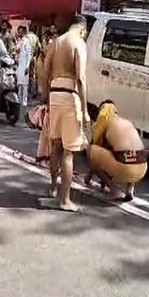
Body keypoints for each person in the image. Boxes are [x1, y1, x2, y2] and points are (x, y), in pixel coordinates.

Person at [43, 15, 89, 212]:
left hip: (55, 93)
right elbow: (80, 78)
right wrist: (85, 110)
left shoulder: (56, 42)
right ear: (82, 30)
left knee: (55, 145)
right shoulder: (78, 43)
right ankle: (65, 200)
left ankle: (53, 188)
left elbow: (45, 71)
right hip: (70, 94)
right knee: (68, 152)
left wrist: (46, 97)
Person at [85, 100, 147, 201]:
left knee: (90, 149)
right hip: (142, 167)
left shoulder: (103, 121)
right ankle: (130, 189)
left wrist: (89, 176)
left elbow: (95, 152)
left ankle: (114, 190)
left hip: (125, 168)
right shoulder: (126, 121)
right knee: (130, 151)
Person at [15, 25, 32, 117]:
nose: (20, 33)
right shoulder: (18, 41)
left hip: (24, 66)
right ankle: (19, 102)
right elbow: (16, 52)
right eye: (19, 31)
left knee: (25, 85)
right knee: (19, 85)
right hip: (19, 66)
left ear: (24, 32)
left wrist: (27, 66)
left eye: (21, 31)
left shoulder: (26, 42)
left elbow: (29, 55)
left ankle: (24, 103)